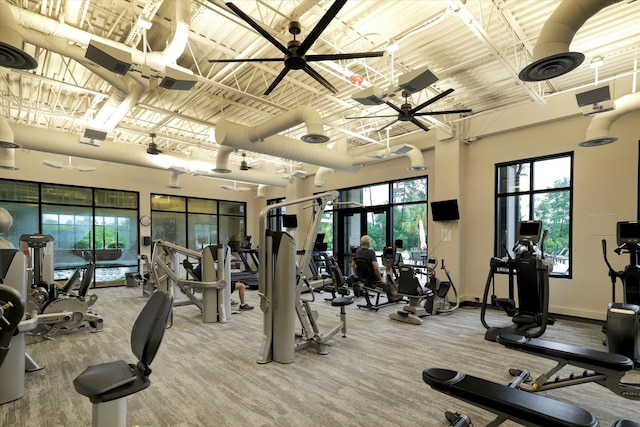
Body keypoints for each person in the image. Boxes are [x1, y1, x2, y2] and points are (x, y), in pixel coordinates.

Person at [184, 260, 254, 311]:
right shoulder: (205, 268)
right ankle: (243, 305)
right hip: (217, 284)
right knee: (241, 286)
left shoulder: (199, 268)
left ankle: (229, 299)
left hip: (216, 282)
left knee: (230, 281)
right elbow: (216, 276)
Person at [351, 235, 401, 301]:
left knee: (381, 272)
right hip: (371, 277)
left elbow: (352, 265)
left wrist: (357, 274)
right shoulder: (371, 253)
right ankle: (392, 296)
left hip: (362, 276)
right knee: (387, 275)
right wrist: (380, 278)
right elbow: (375, 268)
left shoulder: (357, 252)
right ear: (368, 243)